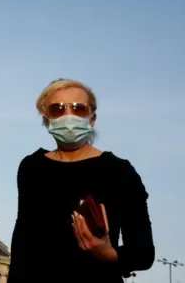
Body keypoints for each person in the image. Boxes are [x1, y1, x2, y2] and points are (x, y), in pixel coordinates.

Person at [8, 79, 155, 283]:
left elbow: (143, 253)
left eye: (78, 108)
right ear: (47, 119)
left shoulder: (120, 171)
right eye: (57, 108)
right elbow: (22, 243)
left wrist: (108, 253)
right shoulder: (31, 167)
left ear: (92, 119)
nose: (68, 115)